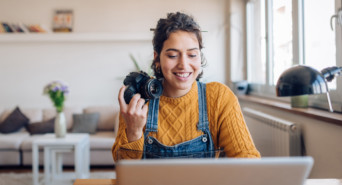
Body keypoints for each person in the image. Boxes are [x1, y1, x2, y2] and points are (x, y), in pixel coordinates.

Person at [112, 12, 260, 161]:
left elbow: (247, 160)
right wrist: (134, 131)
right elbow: (125, 170)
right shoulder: (140, 98)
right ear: (157, 58)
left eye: (192, 55)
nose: (183, 65)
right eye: (172, 55)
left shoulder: (219, 98)